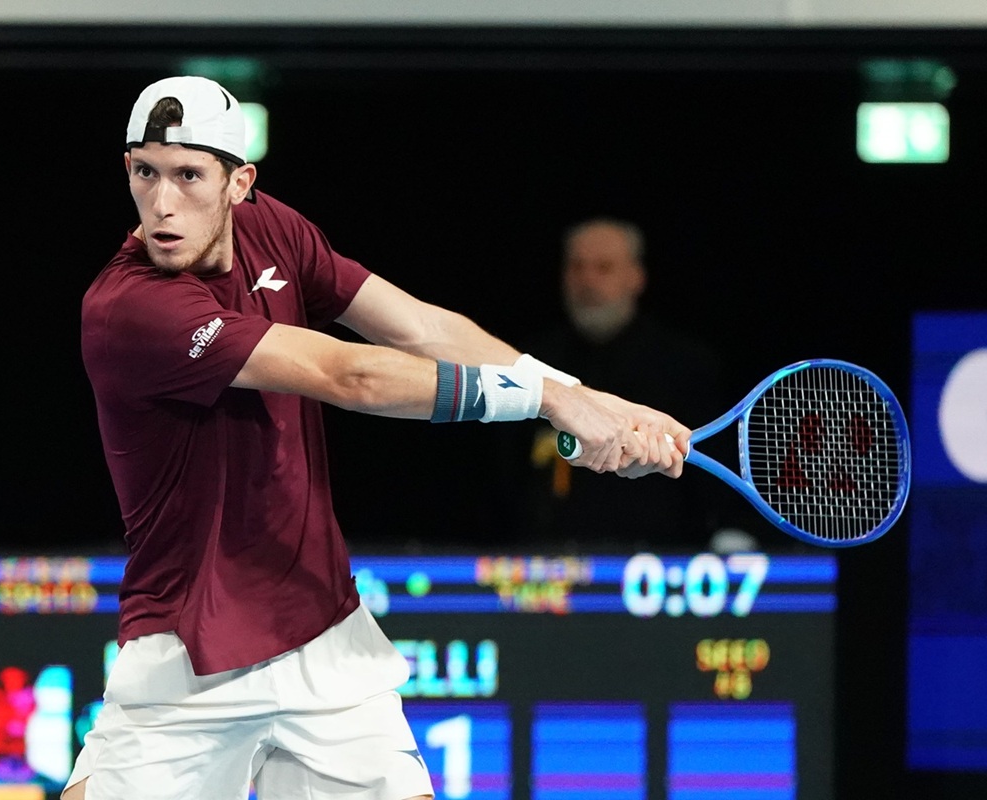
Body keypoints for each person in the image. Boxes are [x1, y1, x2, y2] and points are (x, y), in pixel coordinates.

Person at [63, 76, 691, 800]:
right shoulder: (129, 309)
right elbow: (350, 375)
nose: (162, 204)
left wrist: (583, 398)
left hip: (323, 631)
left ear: (240, 183)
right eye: (146, 172)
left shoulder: (274, 229)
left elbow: (419, 327)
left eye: (188, 176)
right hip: (189, 650)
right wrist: (550, 400)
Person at [497, 217, 753, 553]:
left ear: (637, 277)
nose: (587, 280)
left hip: (657, 562)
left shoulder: (686, 366)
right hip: (545, 564)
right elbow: (504, 477)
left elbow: (711, 482)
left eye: (603, 268)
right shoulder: (529, 362)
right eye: (577, 267)